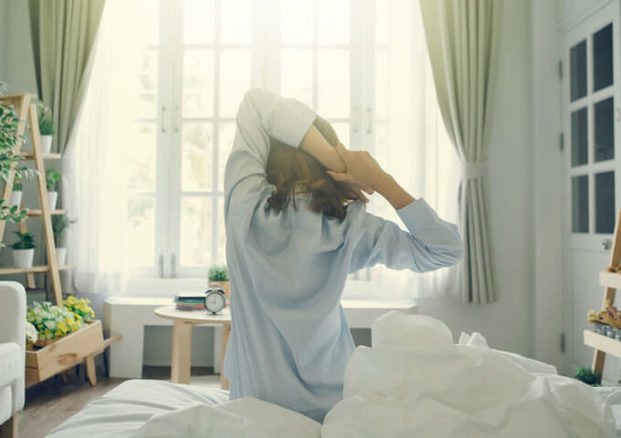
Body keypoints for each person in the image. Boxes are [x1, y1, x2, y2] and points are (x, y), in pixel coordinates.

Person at [223, 88, 462, 423]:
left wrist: (333, 158)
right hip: (336, 407)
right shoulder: (349, 227)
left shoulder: (244, 211)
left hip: (256, 408)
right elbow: (445, 249)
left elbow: (256, 103)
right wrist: (377, 178)